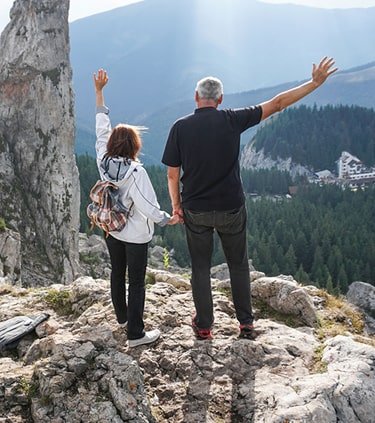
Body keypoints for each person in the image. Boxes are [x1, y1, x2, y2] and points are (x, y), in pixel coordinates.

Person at [162, 57, 338, 340]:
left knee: (200, 266)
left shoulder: (180, 127)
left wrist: (176, 206)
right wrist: (315, 83)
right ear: (220, 99)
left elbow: (172, 174)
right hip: (231, 206)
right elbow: (278, 103)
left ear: (196, 97)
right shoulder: (233, 119)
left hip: (196, 208)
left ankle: (204, 325)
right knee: (239, 264)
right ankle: (245, 323)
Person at [94, 69, 179, 348]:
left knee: (117, 273)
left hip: (110, 228)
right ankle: (135, 334)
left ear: (111, 144)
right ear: (134, 146)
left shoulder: (102, 159)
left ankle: (122, 319)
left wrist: (99, 92)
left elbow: (100, 129)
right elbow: (147, 206)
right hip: (135, 236)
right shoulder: (135, 171)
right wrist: (168, 218)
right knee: (137, 282)